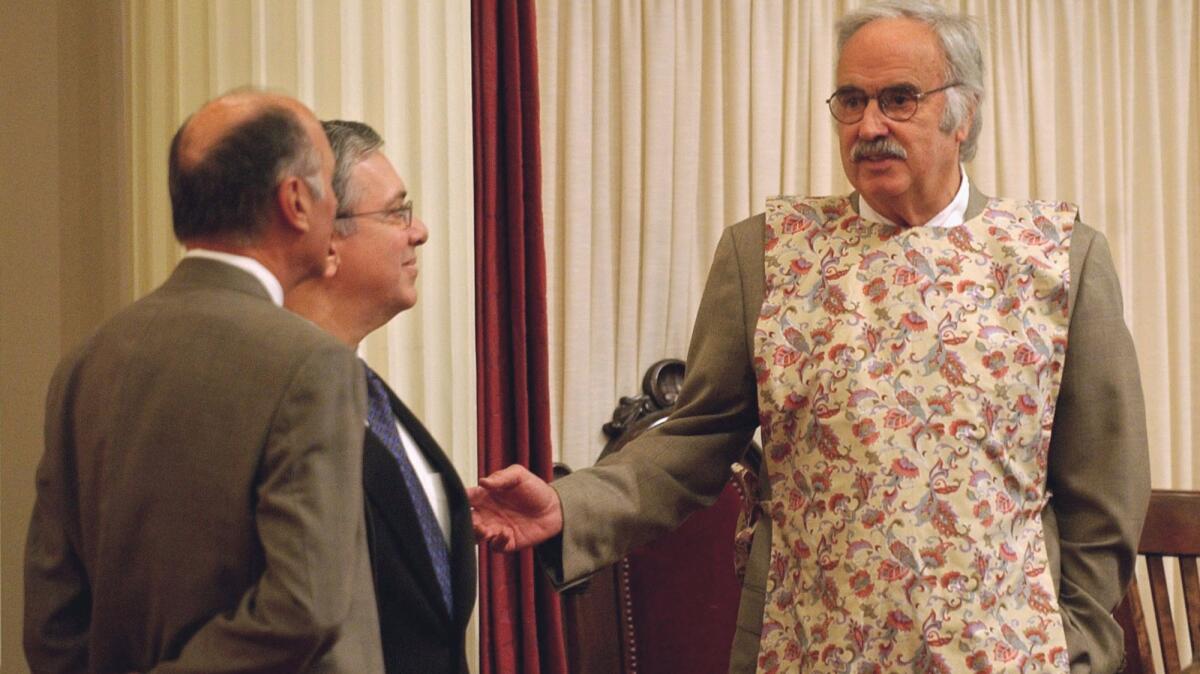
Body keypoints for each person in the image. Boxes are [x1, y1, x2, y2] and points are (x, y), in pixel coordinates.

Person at [470, 2, 1151, 672]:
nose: (869, 125)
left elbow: (1104, 492)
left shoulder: (1055, 259)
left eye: (898, 99)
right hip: (807, 647)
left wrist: (1081, 650)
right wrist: (569, 505)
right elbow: (694, 440)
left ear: (963, 113)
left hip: (1006, 654)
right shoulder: (765, 254)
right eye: (851, 101)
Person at [24, 89, 382, 673]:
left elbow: (51, 622)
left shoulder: (86, 363)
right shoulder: (311, 364)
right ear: (295, 200)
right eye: (329, 184)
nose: (335, 203)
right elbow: (303, 607)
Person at [286, 120, 475, 674]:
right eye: (397, 212)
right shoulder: (272, 408)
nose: (419, 231)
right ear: (327, 242)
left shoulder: (368, 393)